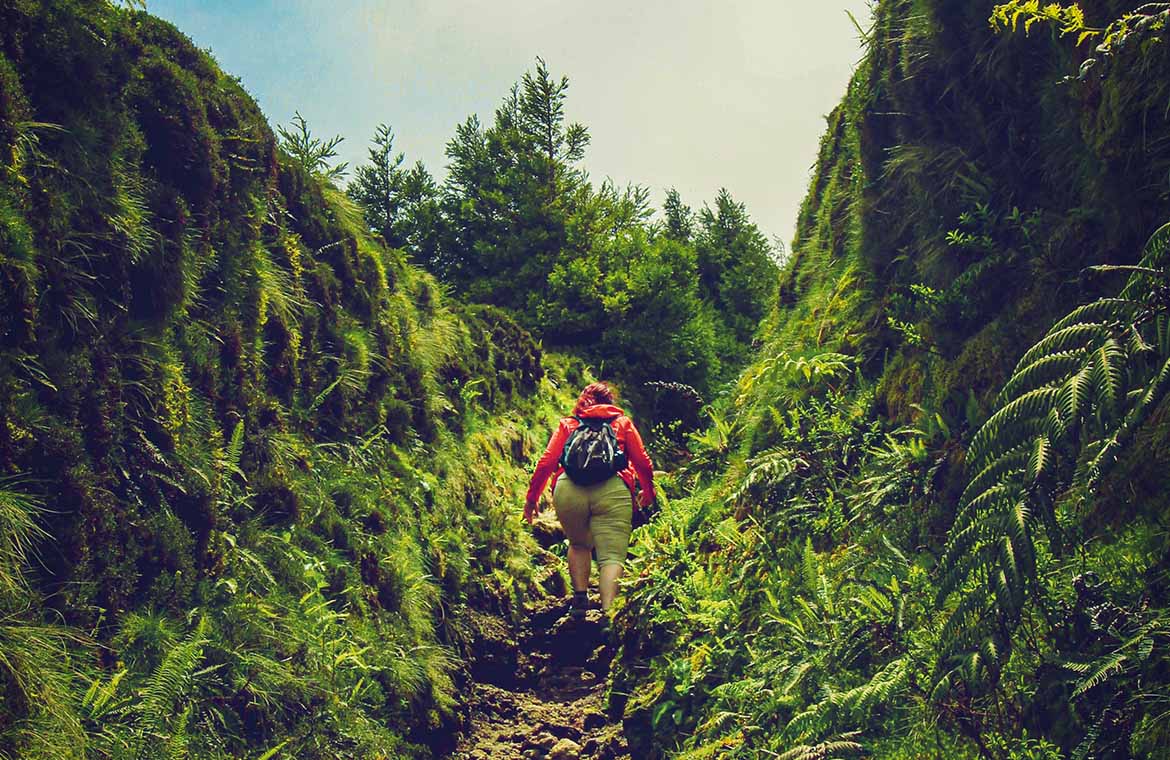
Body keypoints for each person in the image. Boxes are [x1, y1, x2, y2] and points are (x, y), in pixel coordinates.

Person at [524, 382, 656, 619]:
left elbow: (546, 462)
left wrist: (532, 498)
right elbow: (643, 462)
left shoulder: (569, 424)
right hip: (613, 489)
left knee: (578, 544)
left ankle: (580, 601)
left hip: (569, 489)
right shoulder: (622, 423)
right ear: (610, 402)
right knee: (612, 556)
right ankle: (608, 615)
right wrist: (648, 491)